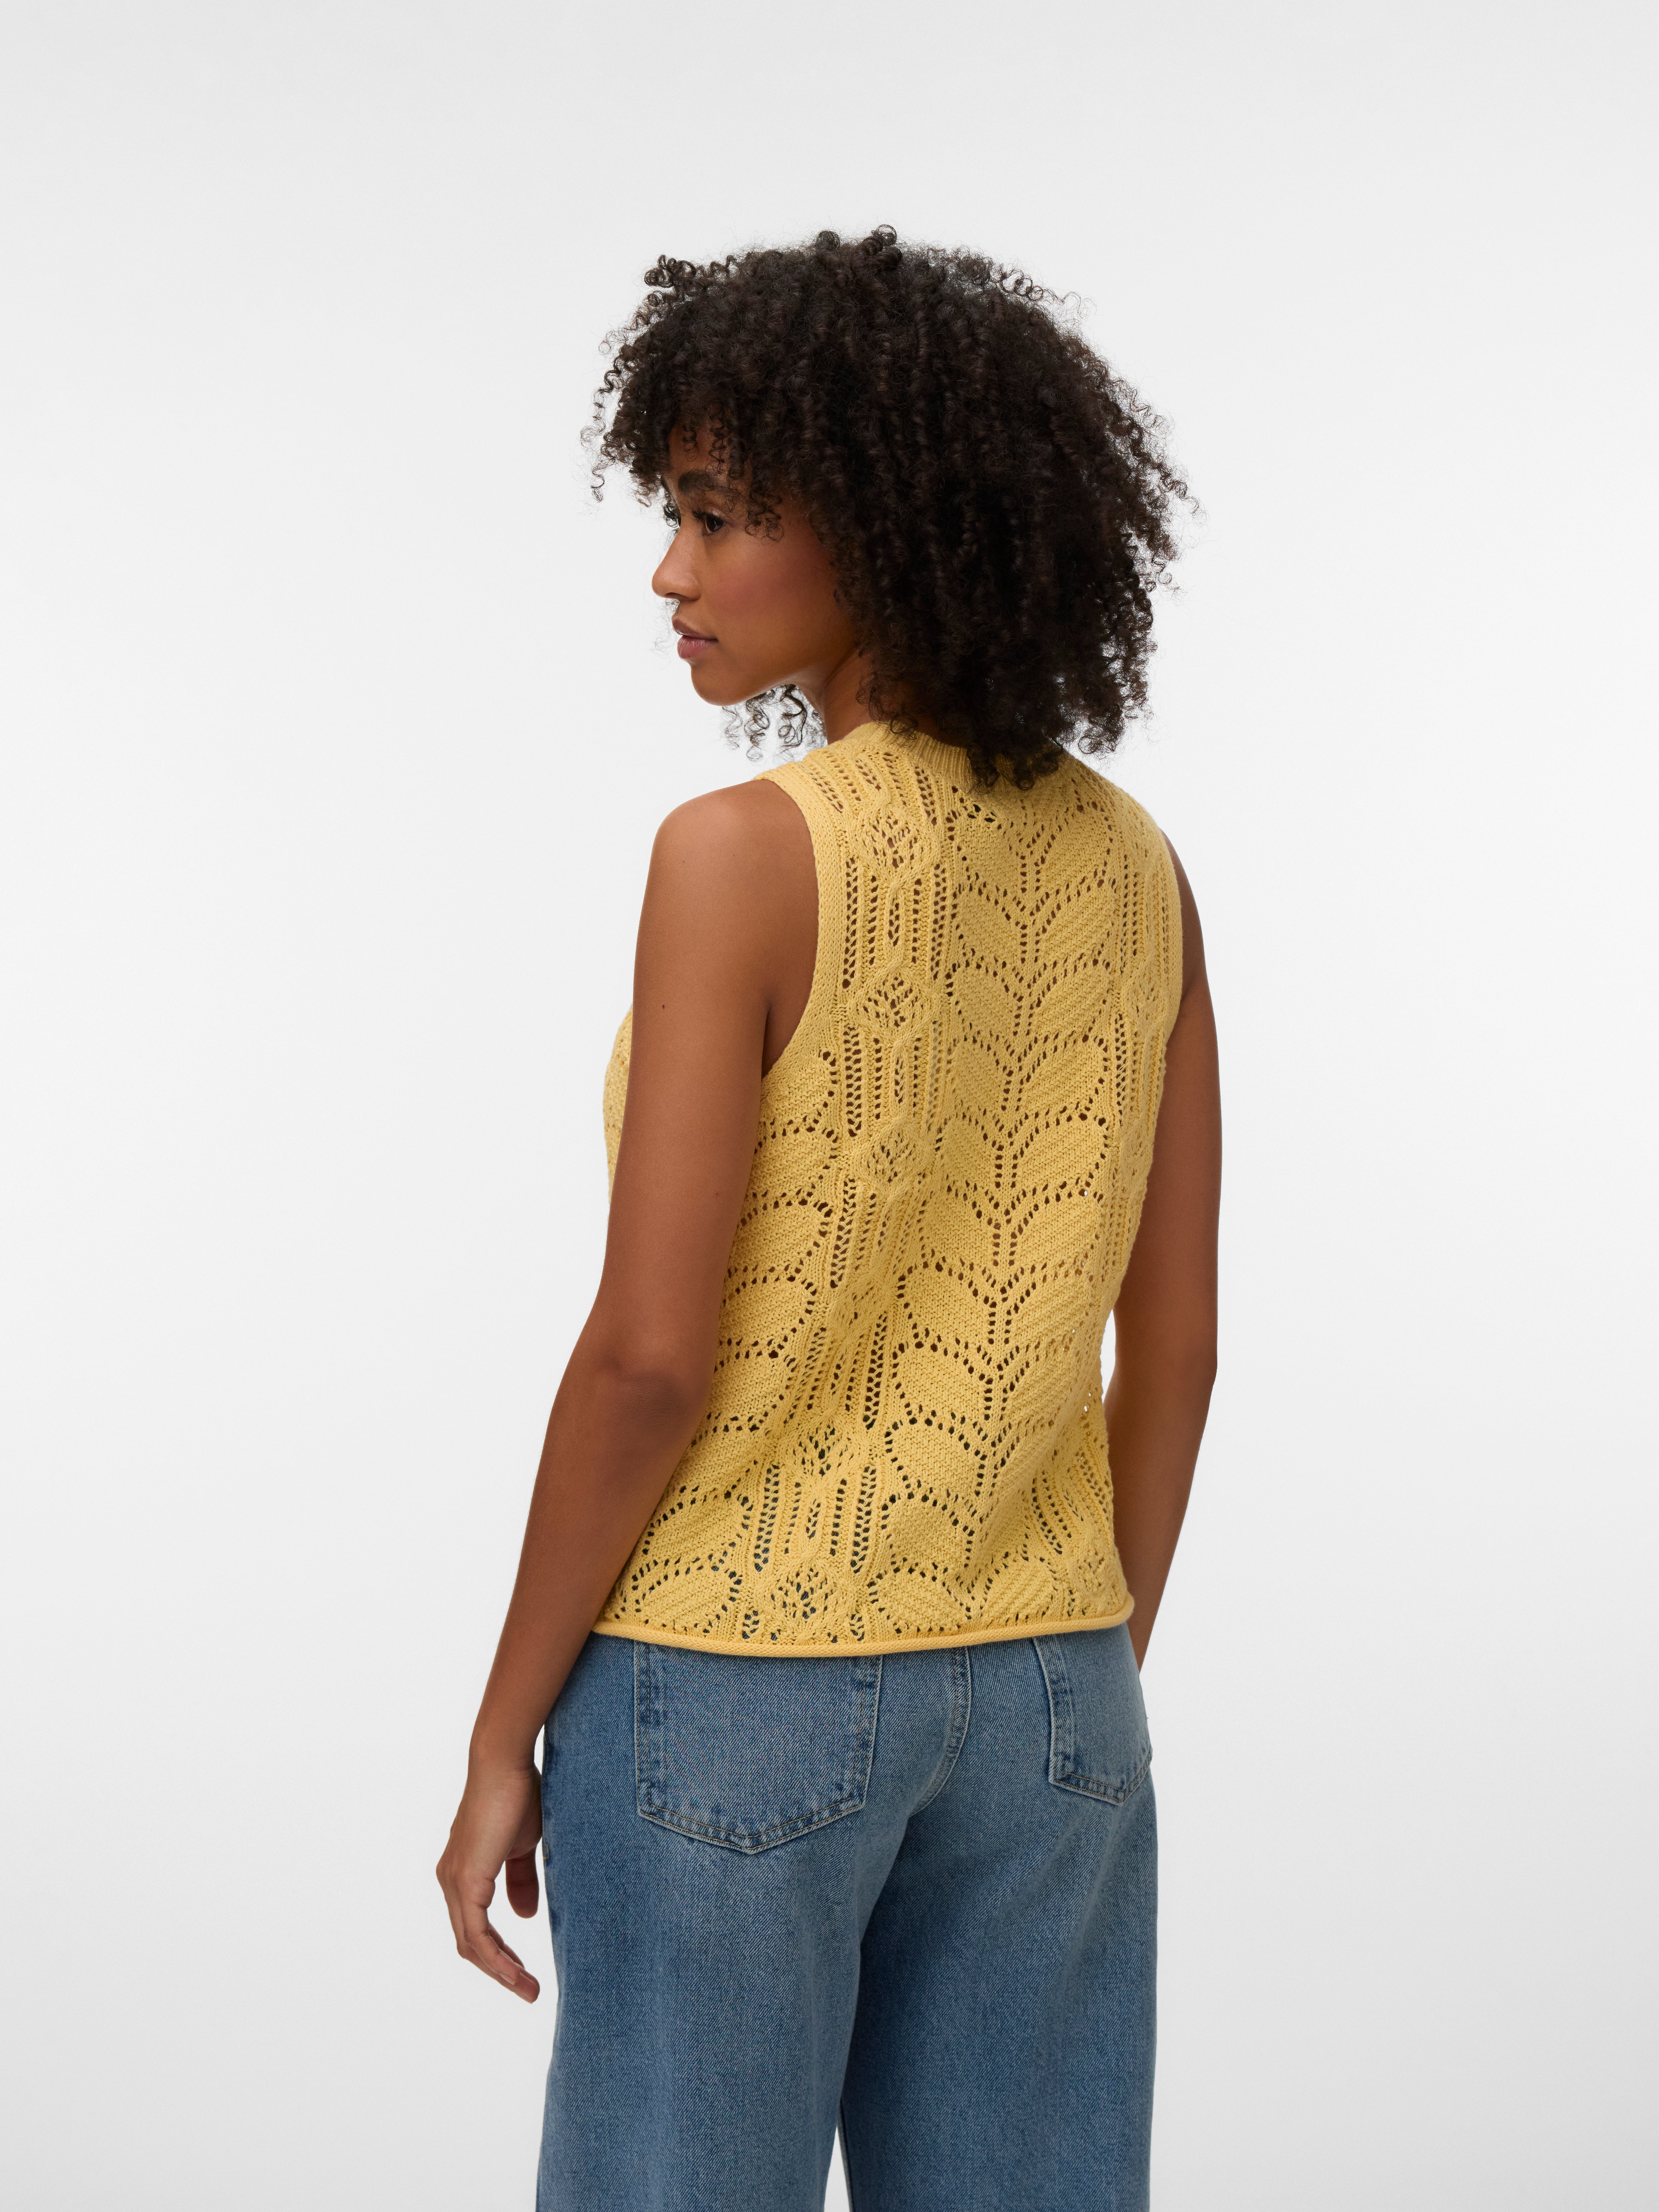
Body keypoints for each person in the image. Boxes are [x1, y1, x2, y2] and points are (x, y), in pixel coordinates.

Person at [437, 226, 1221, 2212]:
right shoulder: (1140, 869)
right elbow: (1180, 1347)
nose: (671, 571)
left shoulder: (740, 856)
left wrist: (505, 1728)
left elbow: (649, 1359)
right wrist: (1079, 1650)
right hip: (1058, 1686)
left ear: (879, 530)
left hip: (731, 1688)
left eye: (718, 516)